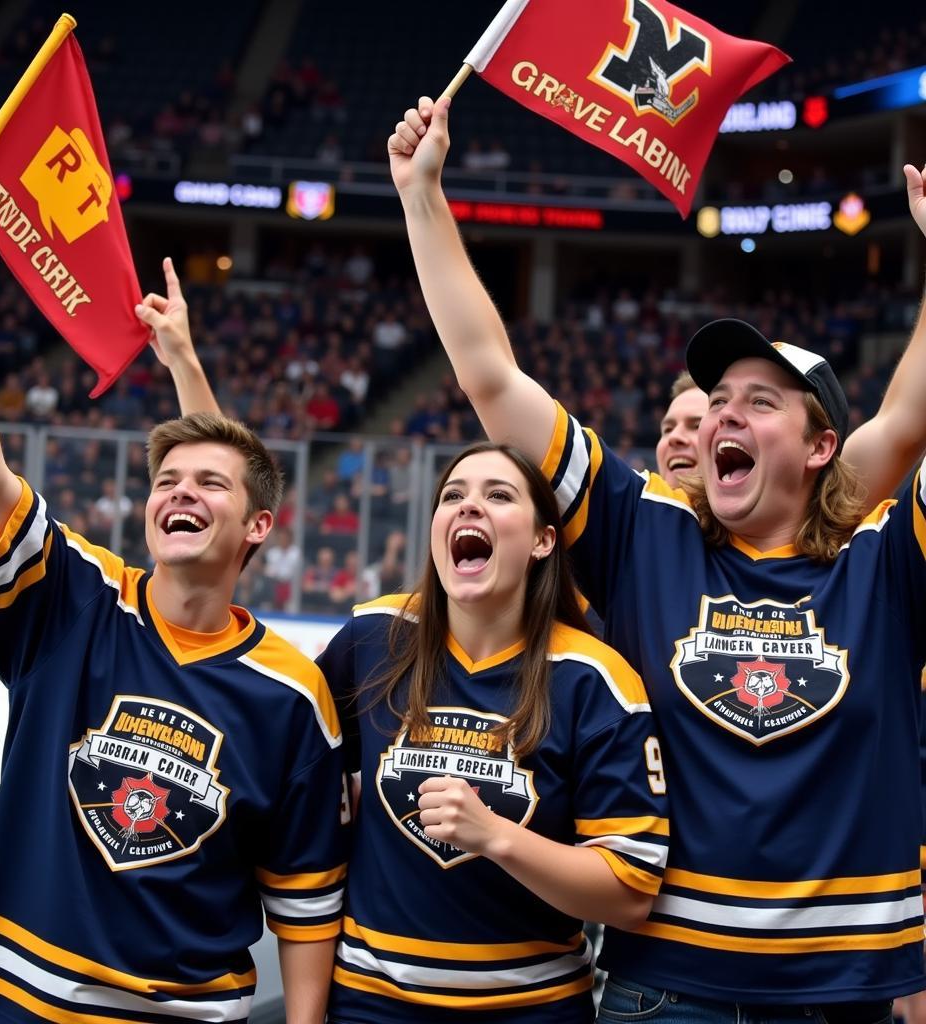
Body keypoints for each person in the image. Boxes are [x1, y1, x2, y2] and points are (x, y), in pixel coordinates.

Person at [387, 96, 926, 1018]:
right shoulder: (650, 536)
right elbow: (490, 375)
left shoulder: (883, 558)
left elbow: (910, 419)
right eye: (718, 397)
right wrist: (421, 194)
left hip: (849, 991)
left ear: (822, 446)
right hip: (667, 991)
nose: (723, 414)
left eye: (761, 402)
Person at [0, 228, 347, 1024]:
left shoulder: (290, 692)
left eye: (207, 485)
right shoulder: (77, 601)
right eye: (165, 480)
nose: (180, 491)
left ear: (261, 528)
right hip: (9, 1002)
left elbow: (306, 904)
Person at [318, 441, 669, 1022]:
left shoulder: (595, 679)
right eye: (452, 495)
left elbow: (630, 892)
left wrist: (495, 836)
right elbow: (305, 772)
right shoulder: (372, 637)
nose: (468, 507)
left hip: (533, 1008)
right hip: (369, 1003)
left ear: (542, 541)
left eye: (498, 495)